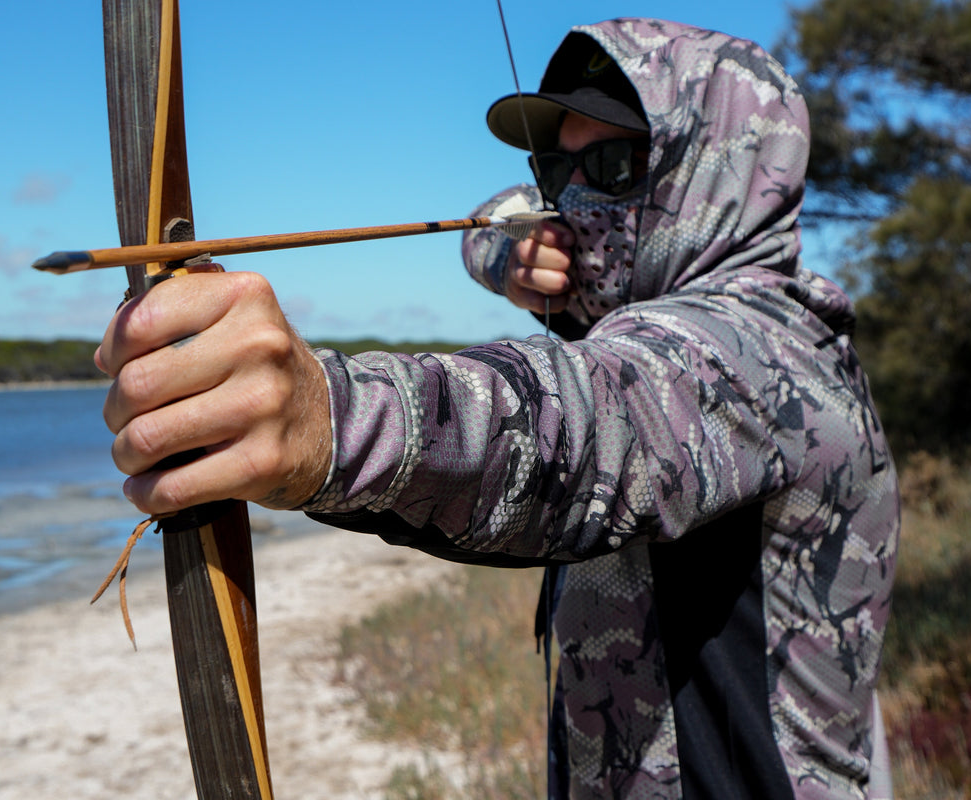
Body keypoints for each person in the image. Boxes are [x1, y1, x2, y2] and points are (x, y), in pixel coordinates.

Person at [95, 18, 899, 800]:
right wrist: (506, 253)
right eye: (556, 171)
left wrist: (329, 417)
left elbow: (581, 424)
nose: (572, 203)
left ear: (713, 175)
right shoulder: (620, 297)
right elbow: (499, 218)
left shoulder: (763, 354)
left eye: (612, 165)